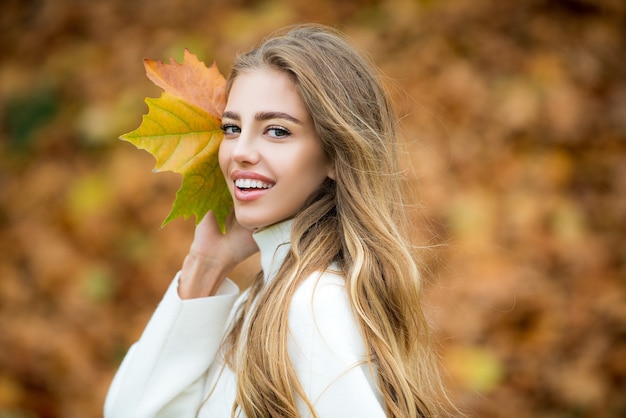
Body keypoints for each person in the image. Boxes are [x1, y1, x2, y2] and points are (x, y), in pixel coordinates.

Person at [104, 24, 456, 418]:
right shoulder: (264, 299)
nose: (240, 152)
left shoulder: (313, 305)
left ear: (336, 156)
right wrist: (206, 264)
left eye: (276, 131)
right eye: (232, 128)